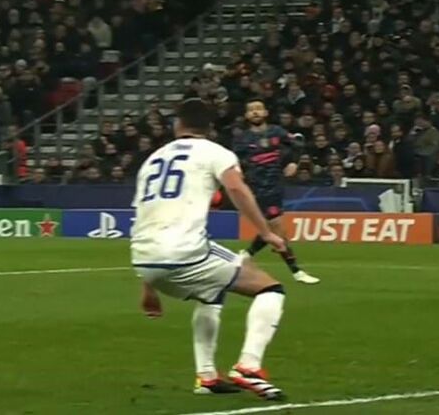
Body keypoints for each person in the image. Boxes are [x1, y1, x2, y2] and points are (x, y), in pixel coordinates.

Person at [131, 98, 287, 400]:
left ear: (177, 124)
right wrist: (266, 232)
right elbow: (237, 188)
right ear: (210, 127)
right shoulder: (216, 152)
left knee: (211, 293)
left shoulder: (152, 159)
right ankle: (249, 366)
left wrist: (148, 285)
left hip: (144, 257)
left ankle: (206, 377)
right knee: (270, 289)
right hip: (184, 253)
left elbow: (142, 218)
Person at [233, 99, 320, 284]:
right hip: (257, 187)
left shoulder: (277, 132)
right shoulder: (242, 139)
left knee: (271, 228)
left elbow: (298, 143)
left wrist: (293, 162)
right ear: (247, 115)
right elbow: (235, 163)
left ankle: (246, 254)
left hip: (276, 185)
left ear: (265, 113)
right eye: (251, 110)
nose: (255, 112)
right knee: (277, 228)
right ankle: (296, 272)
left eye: (259, 109)